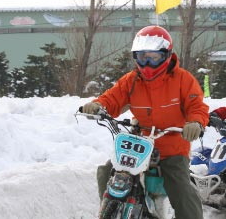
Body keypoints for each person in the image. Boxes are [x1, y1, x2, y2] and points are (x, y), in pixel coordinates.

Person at [82, 25, 209, 219]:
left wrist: (195, 123)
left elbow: (197, 106)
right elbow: (112, 98)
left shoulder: (183, 80)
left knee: (180, 188)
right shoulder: (131, 80)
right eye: (142, 57)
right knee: (106, 171)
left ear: (167, 55)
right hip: (139, 144)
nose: (148, 63)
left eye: (154, 57)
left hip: (172, 146)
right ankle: (108, 211)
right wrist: (98, 105)